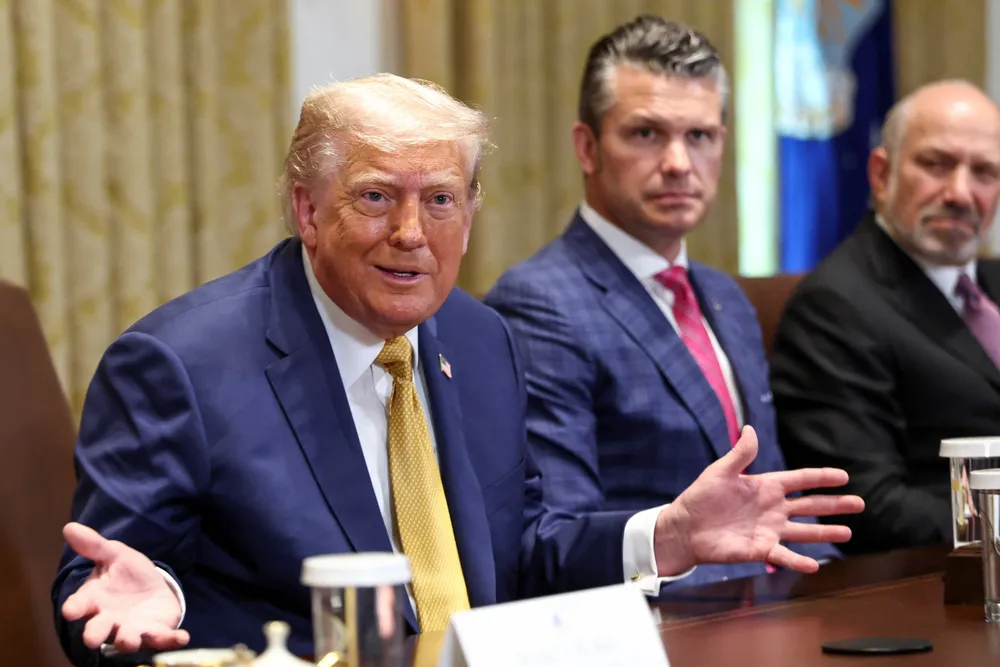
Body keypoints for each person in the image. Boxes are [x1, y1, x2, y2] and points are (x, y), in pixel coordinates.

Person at [53, 73, 862, 665]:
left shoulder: (479, 339)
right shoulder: (179, 365)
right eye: (376, 197)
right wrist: (160, 595)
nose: (411, 232)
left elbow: (520, 551)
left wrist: (665, 535)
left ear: (470, 215)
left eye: (440, 200)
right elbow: (104, 586)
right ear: (307, 209)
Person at [484, 15, 842, 588]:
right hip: (660, 618)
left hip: (777, 603)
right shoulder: (540, 302)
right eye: (646, 134)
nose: (678, 163)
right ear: (587, 147)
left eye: (699, 136)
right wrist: (670, 538)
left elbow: (770, 495)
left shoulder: (724, 297)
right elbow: (553, 538)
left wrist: (828, 589)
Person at [770, 79, 1000, 555]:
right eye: (936, 164)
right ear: (881, 173)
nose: (960, 192)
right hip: (943, 577)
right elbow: (870, 507)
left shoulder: (991, 282)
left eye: (984, 171)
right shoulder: (834, 306)